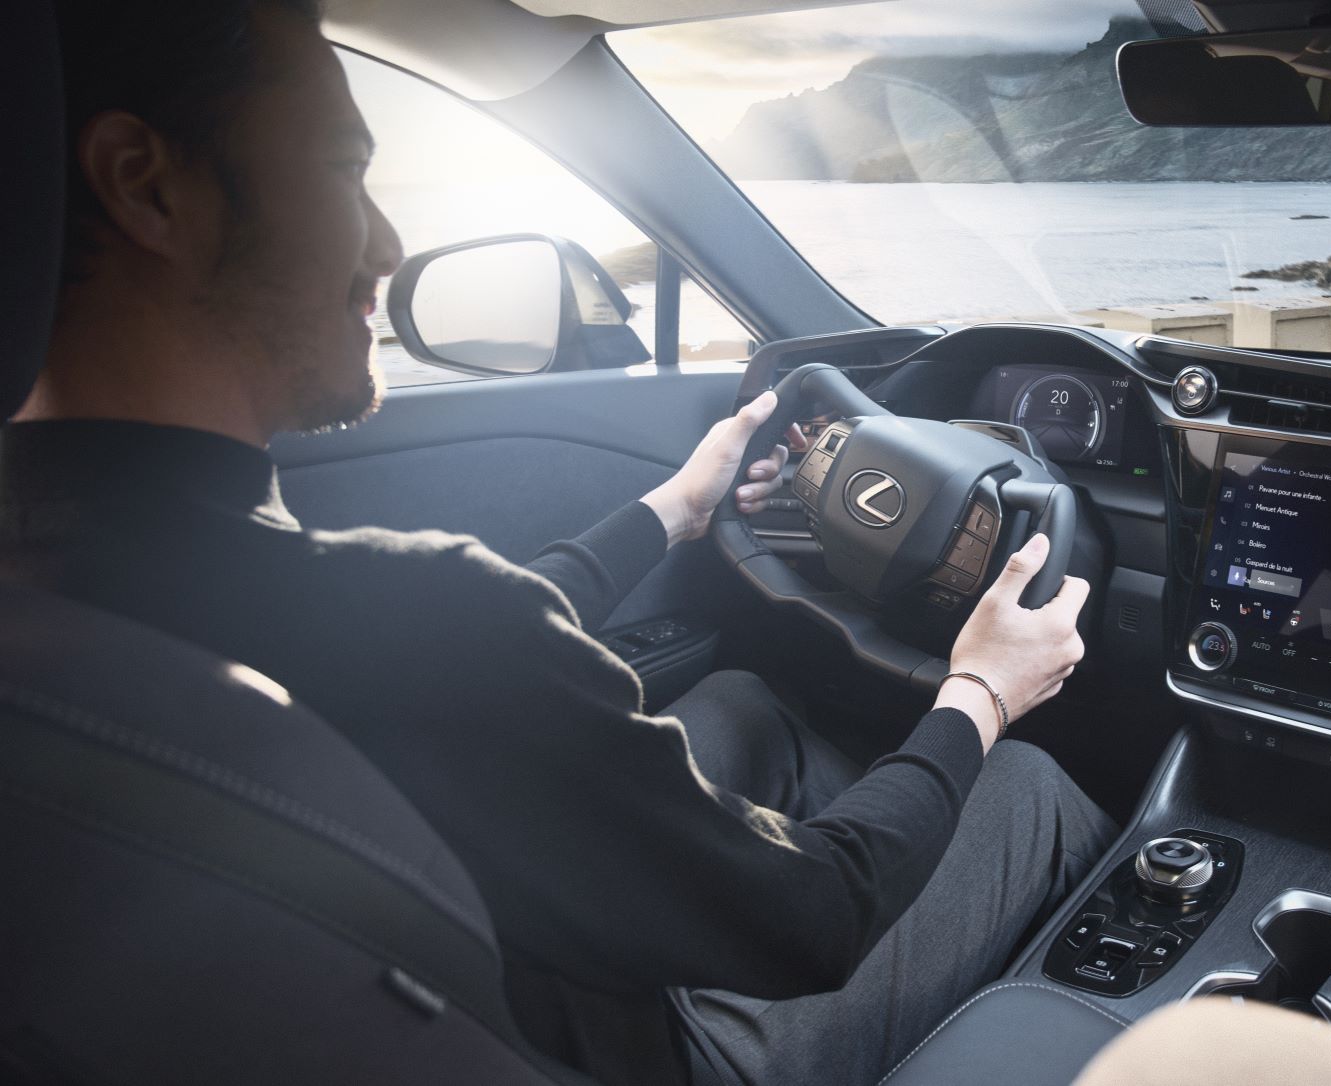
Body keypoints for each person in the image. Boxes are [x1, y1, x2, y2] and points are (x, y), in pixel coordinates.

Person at [1, 3, 1116, 1083]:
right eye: (344, 171)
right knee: (1019, 784)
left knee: (743, 708)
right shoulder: (421, 616)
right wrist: (979, 687)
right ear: (147, 186)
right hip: (622, 1052)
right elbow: (814, 922)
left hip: (423, 980)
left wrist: (674, 509)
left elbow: (432, 657)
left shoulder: (82, 595)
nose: (385, 244)